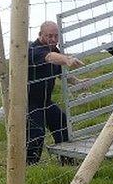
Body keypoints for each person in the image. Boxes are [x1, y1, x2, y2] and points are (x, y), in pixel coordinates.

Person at [27, 21, 86, 165]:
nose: (53, 40)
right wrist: (67, 59)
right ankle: (29, 166)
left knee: (63, 125)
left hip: (46, 101)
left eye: (56, 36)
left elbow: (60, 72)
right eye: (49, 36)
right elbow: (49, 57)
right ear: (40, 35)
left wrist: (77, 82)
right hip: (29, 103)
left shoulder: (54, 49)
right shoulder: (33, 51)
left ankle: (67, 162)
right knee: (37, 134)